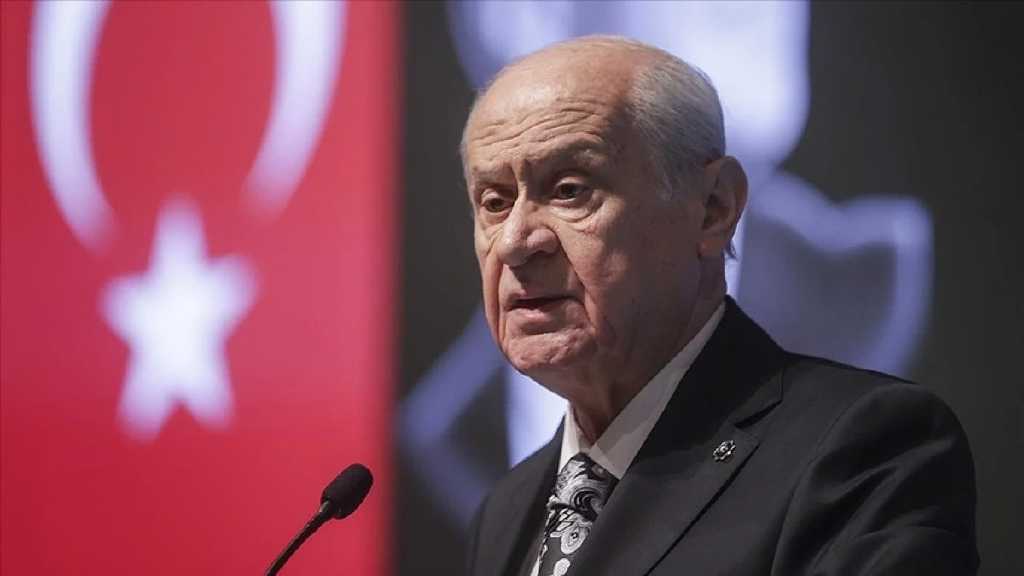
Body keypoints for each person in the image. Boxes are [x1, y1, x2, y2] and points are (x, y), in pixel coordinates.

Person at [460, 36, 978, 576]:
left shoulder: (864, 451)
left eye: (569, 190)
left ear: (713, 208)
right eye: (494, 202)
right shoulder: (507, 511)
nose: (515, 242)